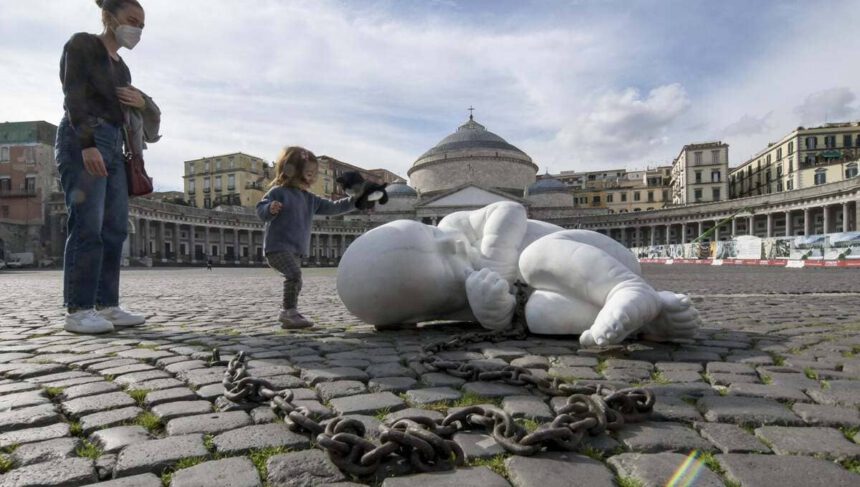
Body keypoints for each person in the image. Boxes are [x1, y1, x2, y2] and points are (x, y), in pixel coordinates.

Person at [337, 201, 700, 346]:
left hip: (590, 257)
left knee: (533, 258)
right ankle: (651, 319)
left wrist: (495, 264)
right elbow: (506, 315)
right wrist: (490, 313)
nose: (451, 244)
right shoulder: (457, 298)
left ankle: (626, 289)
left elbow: (509, 210)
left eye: (431, 232)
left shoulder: (457, 226)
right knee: (539, 314)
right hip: (567, 294)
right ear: (418, 317)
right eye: (446, 264)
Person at [55, 0, 149, 334]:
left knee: (115, 229)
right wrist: (87, 144)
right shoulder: (82, 44)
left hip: (114, 145)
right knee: (87, 226)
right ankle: (78, 309)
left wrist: (141, 102)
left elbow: (127, 111)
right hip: (85, 136)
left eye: (141, 24)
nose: (136, 28)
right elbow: (73, 95)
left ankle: (107, 304)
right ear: (109, 17)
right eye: (131, 20)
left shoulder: (122, 67)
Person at [256, 147, 356, 329]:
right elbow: (260, 210)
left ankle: (290, 311)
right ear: (291, 171)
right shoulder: (277, 192)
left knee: (295, 279)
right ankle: (288, 313)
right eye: (309, 173)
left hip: (296, 249)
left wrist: (356, 200)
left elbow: (334, 208)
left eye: (314, 174)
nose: (312, 178)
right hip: (277, 247)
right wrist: (270, 209)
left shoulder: (311, 199)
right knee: (294, 275)